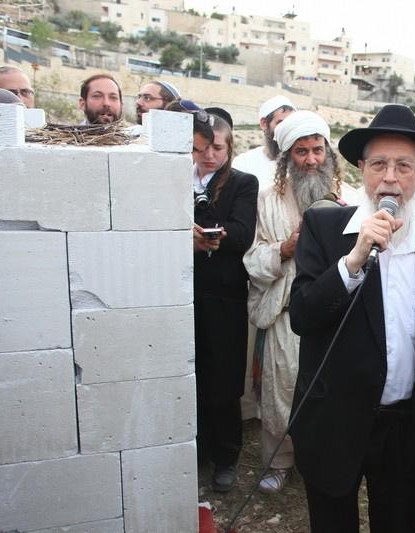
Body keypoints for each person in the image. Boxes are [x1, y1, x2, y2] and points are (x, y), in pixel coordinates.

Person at [288, 104, 415, 533]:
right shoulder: (324, 227)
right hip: (335, 421)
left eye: (403, 166)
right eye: (379, 164)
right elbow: (303, 315)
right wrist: (354, 259)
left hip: (403, 427)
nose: (390, 178)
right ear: (361, 169)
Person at [242, 110, 343, 493]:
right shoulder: (266, 202)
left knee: (326, 392)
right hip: (286, 315)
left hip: (331, 312)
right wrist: (286, 248)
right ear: (287, 158)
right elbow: (251, 259)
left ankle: (319, 459)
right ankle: (279, 461)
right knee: (281, 389)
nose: (311, 159)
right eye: (302, 152)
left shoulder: (346, 201)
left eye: (318, 150)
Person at [190, 107, 259, 492]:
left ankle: (227, 456)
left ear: (230, 149)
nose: (210, 155)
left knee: (224, 379)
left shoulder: (242, 183)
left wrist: (206, 236)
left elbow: (242, 233)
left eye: (218, 148)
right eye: (203, 148)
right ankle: (198, 450)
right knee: (194, 375)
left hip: (225, 297)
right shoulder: (177, 177)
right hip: (186, 294)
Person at [233, 95, 297, 191]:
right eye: (281, 123)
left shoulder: (304, 163)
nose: (286, 130)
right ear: (264, 123)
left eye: (291, 124)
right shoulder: (244, 164)